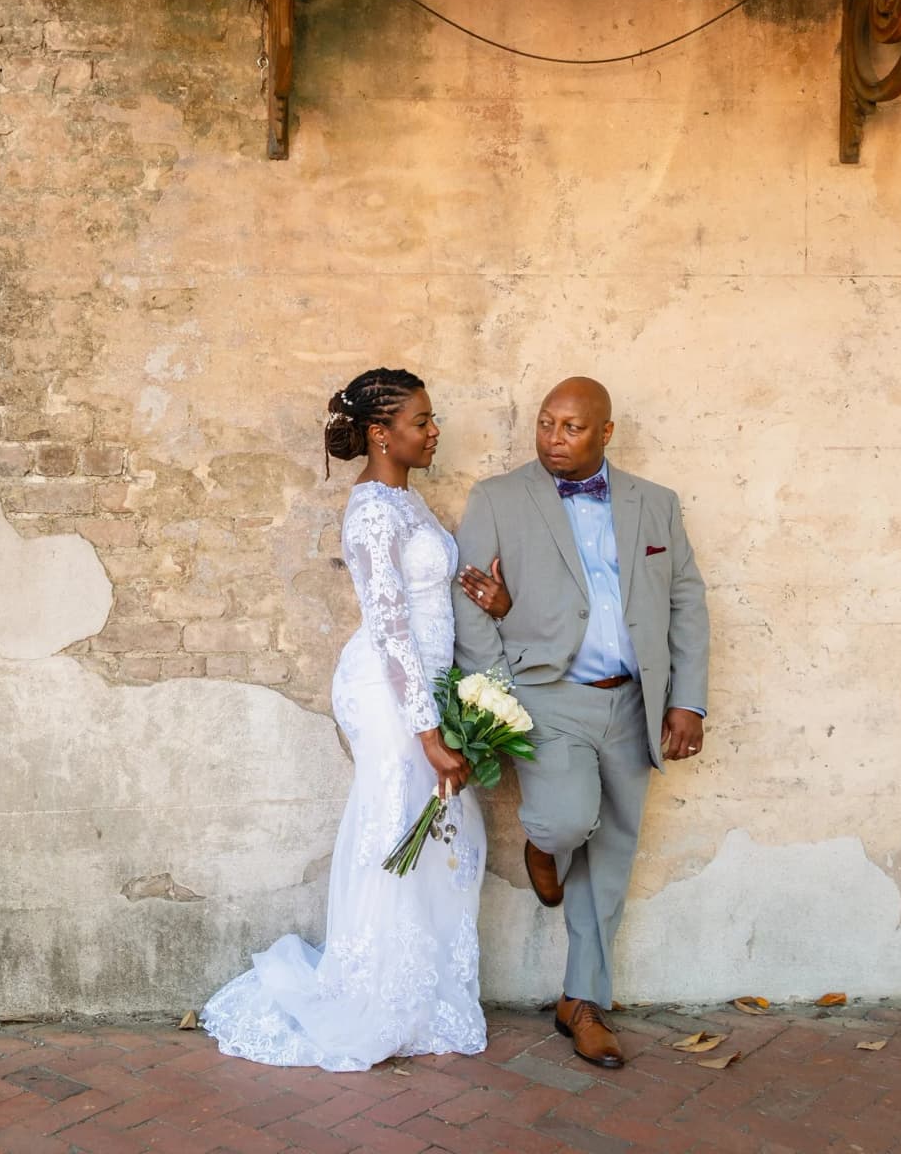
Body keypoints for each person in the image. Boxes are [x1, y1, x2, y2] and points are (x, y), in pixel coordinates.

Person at [202, 368, 497, 1071]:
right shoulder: (370, 510)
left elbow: (428, 603)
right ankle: (372, 994)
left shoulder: (409, 502)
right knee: (393, 823)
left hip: (425, 686)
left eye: (432, 421)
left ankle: (418, 991)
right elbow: (391, 627)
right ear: (380, 433)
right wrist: (429, 732)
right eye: (421, 422)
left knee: (432, 835)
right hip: (389, 690)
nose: (433, 433)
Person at [452, 376, 710, 1070]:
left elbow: (686, 602)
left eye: (570, 427)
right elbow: (471, 604)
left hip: (633, 702)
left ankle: (583, 1001)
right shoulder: (498, 499)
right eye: (545, 424)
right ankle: (544, 844)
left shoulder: (655, 505)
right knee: (567, 822)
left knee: (612, 856)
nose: (554, 440)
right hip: (547, 697)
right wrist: (500, 701)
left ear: (605, 432)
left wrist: (688, 700)